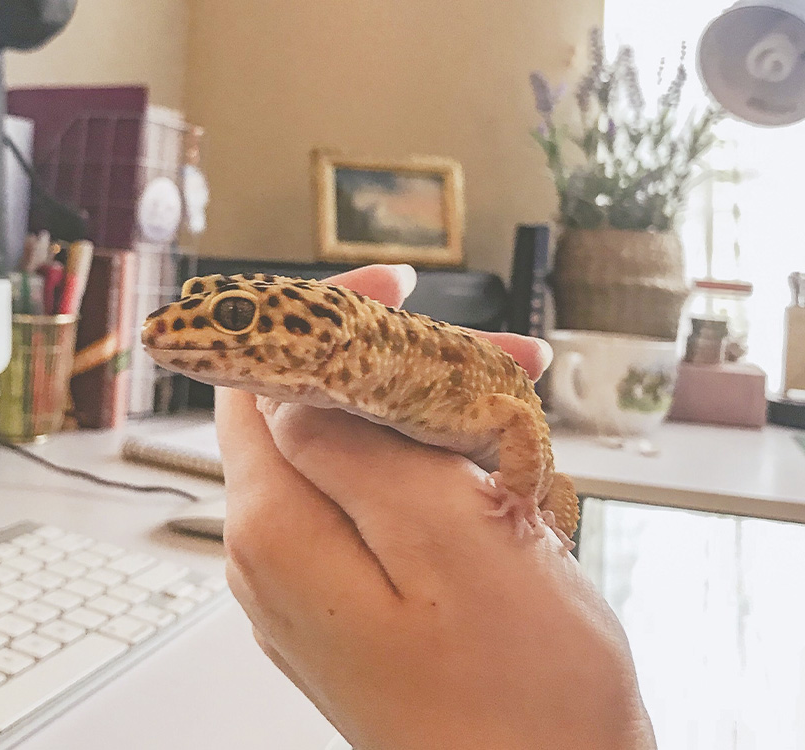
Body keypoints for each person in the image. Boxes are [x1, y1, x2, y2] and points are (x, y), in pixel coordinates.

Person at [215, 264, 658, 750]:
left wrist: (519, 493)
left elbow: (514, 418)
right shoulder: (381, 389)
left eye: (234, 315)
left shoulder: (442, 401)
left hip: (533, 487)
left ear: (331, 336)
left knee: (553, 501)